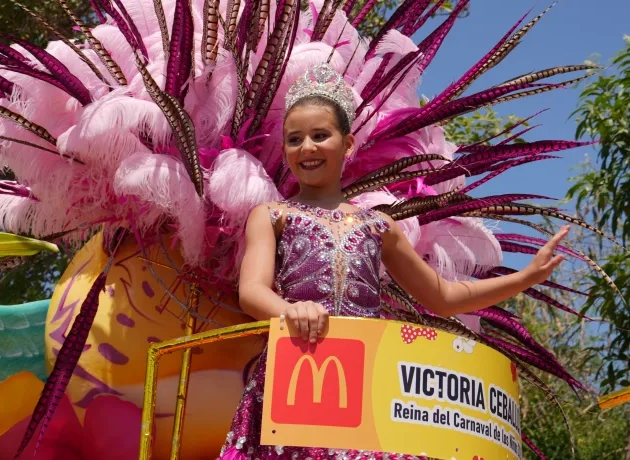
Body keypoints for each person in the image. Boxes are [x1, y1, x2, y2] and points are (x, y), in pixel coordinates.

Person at [218, 63, 571, 460]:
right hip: (296, 379)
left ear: (347, 144)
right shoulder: (272, 215)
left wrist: (524, 278)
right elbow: (251, 290)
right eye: (295, 139)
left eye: (320, 136)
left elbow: (443, 296)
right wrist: (289, 311)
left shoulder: (378, 224)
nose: (307, 148)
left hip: (368, 384)